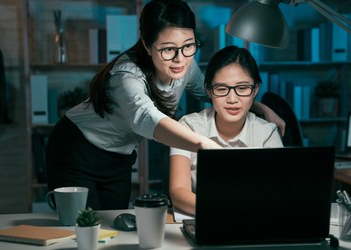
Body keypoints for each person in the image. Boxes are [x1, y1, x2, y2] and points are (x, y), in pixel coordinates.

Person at [45, 0, 284, 210]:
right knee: (85, 227)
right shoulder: (126, 77)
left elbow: (213, 91)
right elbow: (148, 118)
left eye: (189, 46)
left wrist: (262, 108)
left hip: (119, 159)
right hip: (76, 149)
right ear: (148, 46)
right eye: (169, 49)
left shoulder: (185, 66)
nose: (180, 59)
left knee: (111, 226)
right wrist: (203, 143)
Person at [169, 46, 284, 216]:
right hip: (203, 218)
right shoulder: (189, 127)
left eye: (243, 88)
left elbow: (278, 191)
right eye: (222, 89)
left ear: (256, 89)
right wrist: (225, 210)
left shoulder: (267, 133)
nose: (232, 99)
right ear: (209, 90)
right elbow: (178, 191)